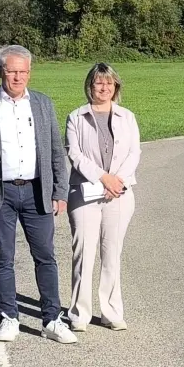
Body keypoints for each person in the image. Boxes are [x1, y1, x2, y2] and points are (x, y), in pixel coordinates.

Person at [0, 45, 74, 344]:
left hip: (38, 191)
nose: (17, 76)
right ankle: (9, 316)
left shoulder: (42, 104)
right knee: (3, 257)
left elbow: (55, 151)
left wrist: (60, 190)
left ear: (29, 73)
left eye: (23, 71)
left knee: (46, 257)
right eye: (12, 71)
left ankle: (52, 319)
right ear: (1, 72)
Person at [64, 63, 141, 333]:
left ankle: (111, 311)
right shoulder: (76, 117)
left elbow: (134, 153)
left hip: (119, 193)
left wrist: (116, 180)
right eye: (99, 83)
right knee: (84, 251)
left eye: (109, 83)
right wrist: (102, 178)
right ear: (90, 86)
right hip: (85, 192)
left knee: (112, 253)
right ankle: (79, 314)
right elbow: (75, 155)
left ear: (116, 87)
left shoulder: (127, 117)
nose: (104, 88)